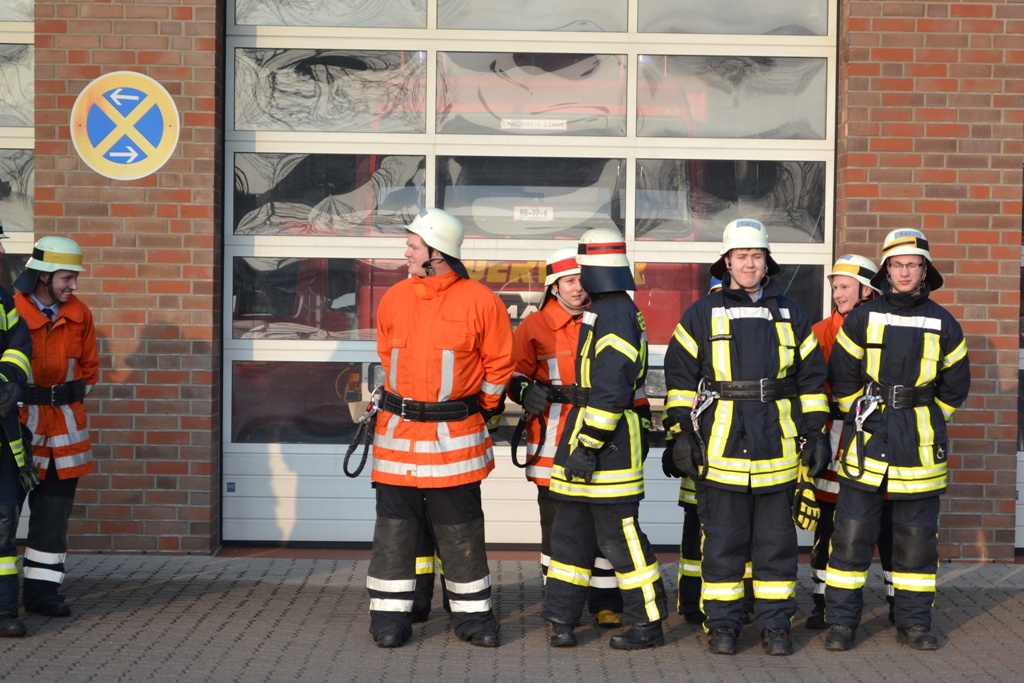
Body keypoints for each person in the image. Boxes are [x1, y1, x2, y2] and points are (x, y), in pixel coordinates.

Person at [663, 218, 829, 656]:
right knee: (722, 545)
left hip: (777, 449)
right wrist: (682, 435)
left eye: (756, 256)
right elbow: (679, 380)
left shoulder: (792, 313)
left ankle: (776, 627)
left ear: (767, 262)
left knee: (776, 547)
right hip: (721, 450)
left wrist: (816, 434)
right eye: (741, 256)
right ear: (727, 262)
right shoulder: (701, 313)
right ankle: (723, 625)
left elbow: (811, 381)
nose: (749, 264)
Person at [365, 208, 513, 649]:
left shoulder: (481, 301)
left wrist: (481, 409)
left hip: (456, 442)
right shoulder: (394, 298)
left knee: (459, 529)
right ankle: (389, 618)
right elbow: (386, 358)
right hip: (398, 439)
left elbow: (499, 366)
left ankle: (473, 617)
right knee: (395, 531)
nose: (406, 253)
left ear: (438, 254)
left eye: (413, 246)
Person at [824, 229, 970, 652]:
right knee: (850, 536)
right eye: (897, 265)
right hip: (868, 439)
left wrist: (927, 419)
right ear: (886, 270)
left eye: (912, 265)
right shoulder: (862, 318)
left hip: (919, 444)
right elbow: (843, 376)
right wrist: (862, 414)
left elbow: (955, 386)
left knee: (916, 540)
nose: (905, 272)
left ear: (925, 270)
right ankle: (842, 623)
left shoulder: (944, 323)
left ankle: (914, 622)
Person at [541, 227, 668, 651]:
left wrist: (587, 446)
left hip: (605, 448)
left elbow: (611, 392)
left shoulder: (614, 314)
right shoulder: (609, 309)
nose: (580, 279)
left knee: (620, 540)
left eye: (583, 269)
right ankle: (561, 618)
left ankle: (647, 623)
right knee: (569, 537)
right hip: (589, 440)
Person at [507, 247, 624, 632]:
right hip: (552, 442)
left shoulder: (607, 318)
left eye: (581, 280)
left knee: (604, 526)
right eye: (569, 281)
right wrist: (525, 392)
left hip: (601, 439)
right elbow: (512, 374)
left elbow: (628, 380)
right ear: (553, 287)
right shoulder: (535, 325)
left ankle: (605, 603)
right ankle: (558, 603)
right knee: (557, 529)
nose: (577, 288)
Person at [805, 254, 894, 629]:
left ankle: (900, 602)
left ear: (867, 290)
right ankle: (823, 601)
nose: (837, 294)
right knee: (829, 522)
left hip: (883, 435)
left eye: (844, 287)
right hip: (836, 435)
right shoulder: (819, 331)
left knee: (890, 522)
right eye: (835, 287)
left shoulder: (890, 326)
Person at [12, 236, 98, 619]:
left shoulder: (81, 314)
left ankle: (42, 594)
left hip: (65, 435)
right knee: (6, 516)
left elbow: (90, 373)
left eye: (75, 277)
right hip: (18, 432)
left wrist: (60, 397)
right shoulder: (11, 311)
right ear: (43, 277)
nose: (74, 285)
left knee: (52, 519)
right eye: (67, 277)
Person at [0, 222, 34, 638]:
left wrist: (8, 380)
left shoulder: (2, 298)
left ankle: (4, 610)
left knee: (3, 528)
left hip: (2, 436)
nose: (2, 251)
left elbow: (18, 345)